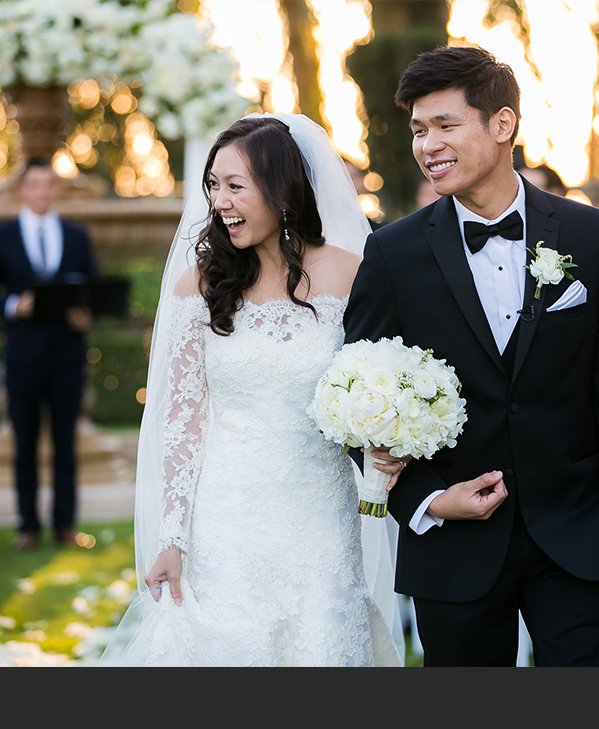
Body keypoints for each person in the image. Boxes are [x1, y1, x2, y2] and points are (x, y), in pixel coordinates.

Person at [344, 45, 599, 667]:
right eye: (417, 129)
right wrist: (428, 501)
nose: (426, 144)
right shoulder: (391, 253)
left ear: (502, 125)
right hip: (454, 550)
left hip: (576, 541)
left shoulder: (591, 238)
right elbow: (355, 399)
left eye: (444, 125)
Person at [99, 114, 402, 667]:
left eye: (235, 185)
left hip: (320, 515)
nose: (220, 200)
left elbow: (377, 383)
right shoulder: (200, 283)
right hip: (224, 517)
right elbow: (183, 417)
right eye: (213, 185)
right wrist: (171, 537)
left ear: (282, 191)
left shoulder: (351, 274)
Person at [0, 158, 98, 550]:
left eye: (49, 184)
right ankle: (27, 526)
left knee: (66, 442)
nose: (42, 192)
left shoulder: (77, 236)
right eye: (35, 185)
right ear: (22, 190)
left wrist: (84, 314)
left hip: (67, 355)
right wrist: (13, 306)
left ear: (55, 189)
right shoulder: (1, 236)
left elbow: (93, 289)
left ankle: (65, 525)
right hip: (23, 356)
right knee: (24, 442)